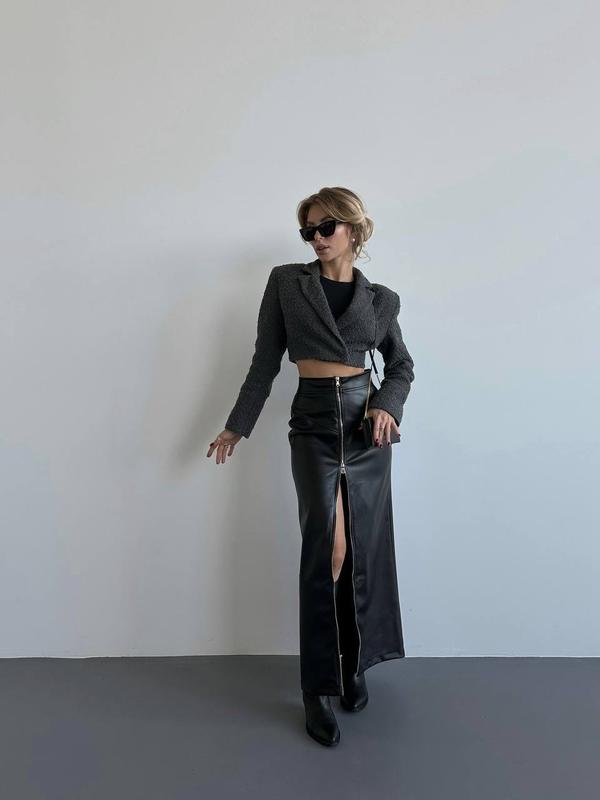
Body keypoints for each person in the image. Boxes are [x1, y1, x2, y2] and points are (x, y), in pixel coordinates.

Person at [207, 186, 415, 747]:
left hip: (366, 429)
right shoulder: (286, 283)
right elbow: (264, 361)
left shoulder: (382, 299)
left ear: (353, 229)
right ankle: (316, 687)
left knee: (362, 550)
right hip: (314, 425)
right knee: (329, 549)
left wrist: (386, 406)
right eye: (309, 231)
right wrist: (237, 425)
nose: (317, 239)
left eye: (326, 228)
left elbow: (400, 365)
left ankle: (353, 664)